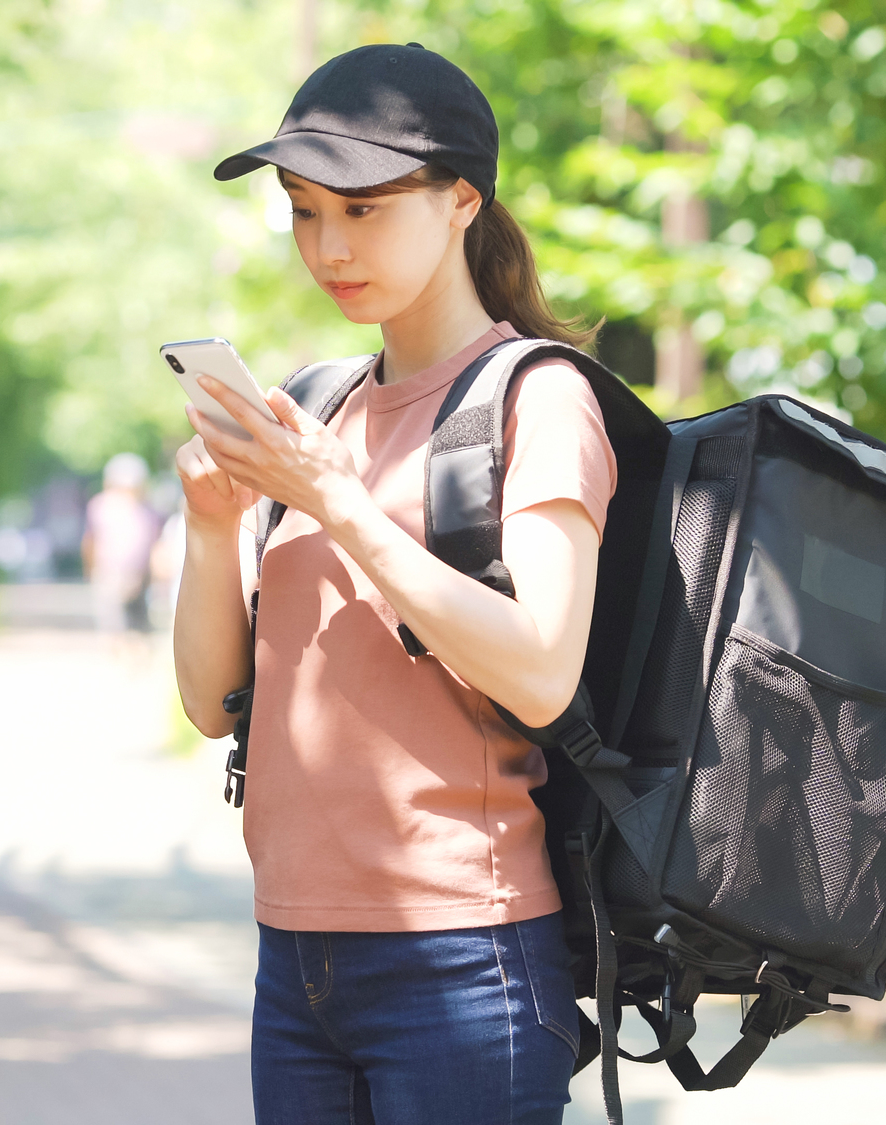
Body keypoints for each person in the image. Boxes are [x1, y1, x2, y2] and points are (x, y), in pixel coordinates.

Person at [170, 44, 619, 1125]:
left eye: (363, 210)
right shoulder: (315, 408)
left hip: (462, 961)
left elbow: (546, 672)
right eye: (303, 210)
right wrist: (207, 523)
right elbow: (210, 705)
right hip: (295, 959)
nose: (327, 244)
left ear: (461, 198)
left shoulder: (537, 400)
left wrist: (338, 504)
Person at [83, 451, 162, 634]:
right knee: (116, 622)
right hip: (111, 572)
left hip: (138, 574)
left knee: (133, 623)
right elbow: (91, 541)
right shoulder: (102, 506)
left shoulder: (146, 510)